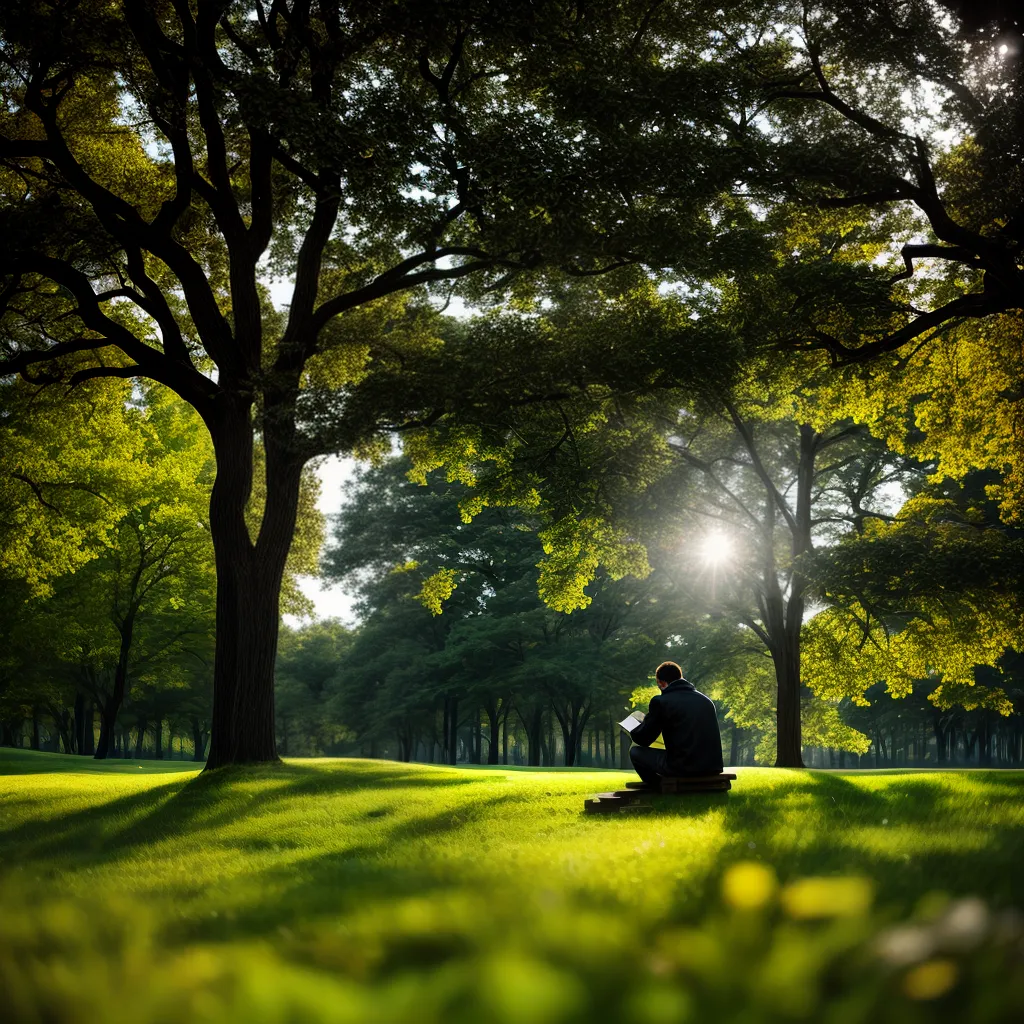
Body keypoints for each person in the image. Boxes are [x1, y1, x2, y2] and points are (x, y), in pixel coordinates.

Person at [629, 661, 724, 784]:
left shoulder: (661, 702)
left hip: (682, 767)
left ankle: (658, 788)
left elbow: (644, 739)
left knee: (635, 752)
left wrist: (634, 726)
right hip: (711, 767)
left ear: (661, 683)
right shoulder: (706, 701)